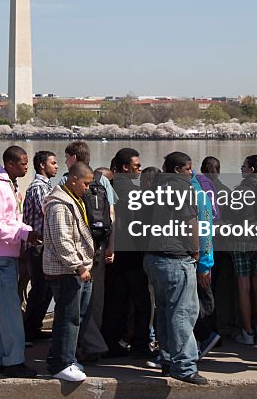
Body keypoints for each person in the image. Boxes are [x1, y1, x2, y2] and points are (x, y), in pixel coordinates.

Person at [143, 152, 207, 385]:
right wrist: (196, 250)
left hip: (153, 257)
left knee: (163, 311)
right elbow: (190, 223)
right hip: (175, 257)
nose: (192, 173)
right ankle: (185, 365)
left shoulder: (154, 188)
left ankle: (168, 359)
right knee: (183, 313)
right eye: (189, 168)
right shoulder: (183, 189)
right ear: (178, 170)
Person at [0, 145, 39, 378]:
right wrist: (25, 234)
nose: (26, 166)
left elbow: (11, 221)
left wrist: (29, 231)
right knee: (11, 310)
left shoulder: (8, 186)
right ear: (10, 164)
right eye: (23, 163)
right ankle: (14, 361)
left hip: (3, 254)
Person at [60, 141, 116, 363]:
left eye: (66, 158)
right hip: (100, 247)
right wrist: (111, 246)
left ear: (73, 158)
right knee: (96, 299)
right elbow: (112, 216)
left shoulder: (68, 180)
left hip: (79, 250)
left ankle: (89, 344)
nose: (65, 162)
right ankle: (93, 342)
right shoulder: (102, 180)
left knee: (77, 300)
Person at [44, 162, 96, 382]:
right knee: (68, 318)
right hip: (67, 271)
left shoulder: (75, 200)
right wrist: (79, 266)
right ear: (73, 179)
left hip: (78, 269)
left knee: (77, 317)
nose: (88, 188)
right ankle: (61, 363)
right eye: (85, 183)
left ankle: (68, 357)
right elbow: (62, 240)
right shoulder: (59, 205)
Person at [102, 148, 151, 359]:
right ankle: (140, 343)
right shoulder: (134, 192)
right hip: (132, 254)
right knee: (141, 302)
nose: (139, 170)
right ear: (125, 167)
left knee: (115, 300)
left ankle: (112, 342)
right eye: (136, 166)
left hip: (112, 254)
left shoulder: (107, 188)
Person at [231, 155, 257, 346]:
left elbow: (232, 215)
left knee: (243, 288)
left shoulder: (241, 190)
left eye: (244, 166)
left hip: (240, 241)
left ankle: (248, 332)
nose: (241, 169)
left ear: (252, 170)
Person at [23, 150, 57, 343]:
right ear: (42, 165)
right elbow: (48, 212)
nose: (56, 166)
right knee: (40, 288)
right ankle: (29, 329)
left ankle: (34, 327)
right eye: (53, 163)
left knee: (46, 288)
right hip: (38, 244)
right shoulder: (38, 187)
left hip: (43, 244)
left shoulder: (46, 186)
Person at [193, 157, 222, 360]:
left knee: (201, 297)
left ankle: (207, 336)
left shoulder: (199, 193)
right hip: (198, 256)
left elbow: (206, 230)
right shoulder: (201, 189)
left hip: (199, 257)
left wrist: (205, 262)